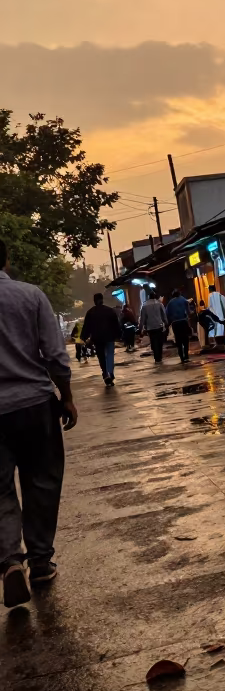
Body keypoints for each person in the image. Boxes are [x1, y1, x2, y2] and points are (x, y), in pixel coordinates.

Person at [0, 236, 78, 607]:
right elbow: (55, 354)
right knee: (41, 482)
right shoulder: (30, 296)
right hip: (34, 405)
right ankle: (41, 563)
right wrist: (67, 397)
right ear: (7, 260)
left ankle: (10, 561)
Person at [80, 292, 121, 386]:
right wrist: (119, 335)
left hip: (97, 338)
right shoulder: (110, 311)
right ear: (102, 300)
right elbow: (116, 324)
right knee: (110, 355)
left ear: (94, 301)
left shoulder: (90, 312)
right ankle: (110, 373)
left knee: (101, 356)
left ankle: (105, 374)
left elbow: (87, 326)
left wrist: (84, 337)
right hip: (109, 337)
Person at [138, 290, 168, 363]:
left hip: (150, 328)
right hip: (159, 326)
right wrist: (166, 323)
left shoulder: (144, 305)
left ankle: (156, 357)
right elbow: (163, 315)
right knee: (160, 342)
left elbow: (142, 318)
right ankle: (159, 357)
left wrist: (140, 328)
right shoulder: (159, 304)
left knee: (153, 342)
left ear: (148, 297)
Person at [165, 289, 192, 363]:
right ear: (179, 294)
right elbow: (188, 311)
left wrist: (169, 323)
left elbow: (167, 314)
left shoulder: (170, 303)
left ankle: (182, 358)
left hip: (175, 323)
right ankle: (186, 356)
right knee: (185, 340)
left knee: (178, 340)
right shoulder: (183, 299)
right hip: (183, 321)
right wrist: (189, 319)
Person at [206, 283, 225, 348]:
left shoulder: (210, 296)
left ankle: (218, 344)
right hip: (223, 317)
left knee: (216, 331)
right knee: (222, 330)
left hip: (215, 316)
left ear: (210, 290)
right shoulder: (221, 296)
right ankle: (223, 344)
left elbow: (210, 307)